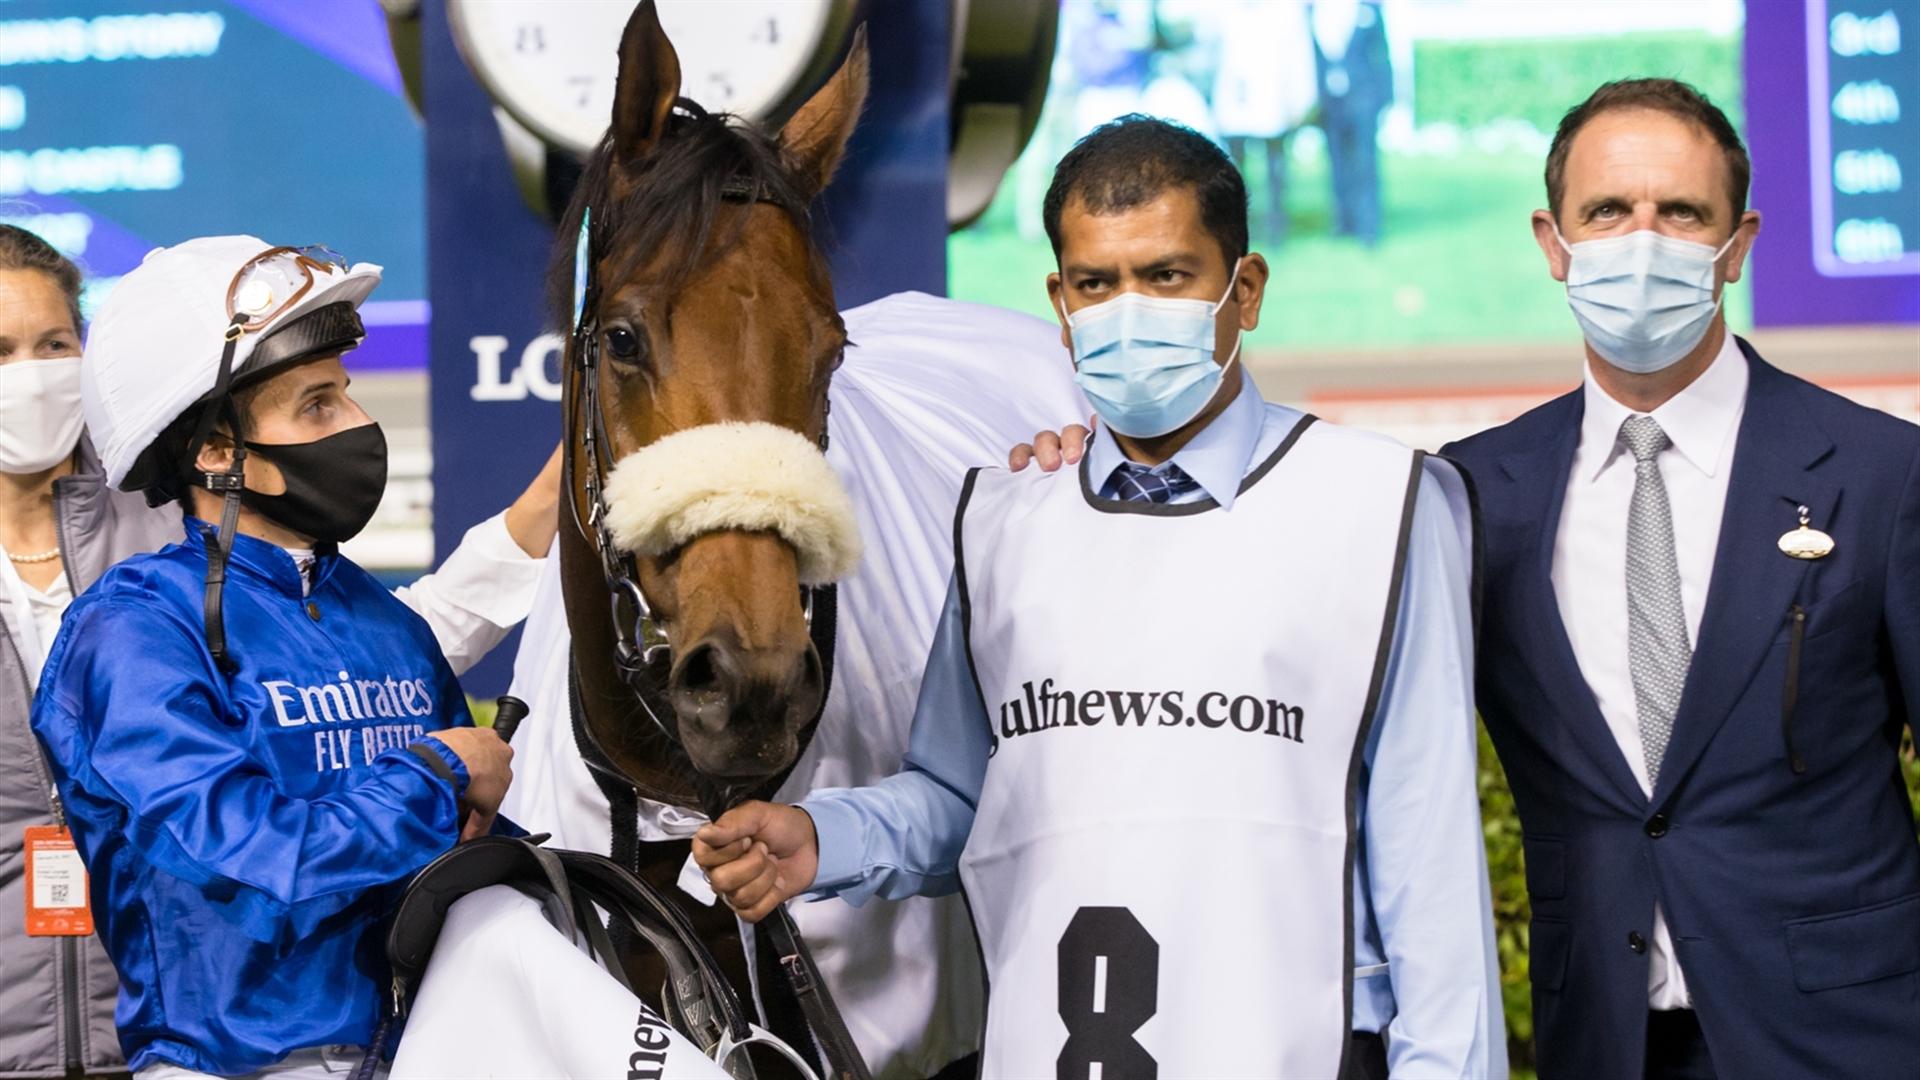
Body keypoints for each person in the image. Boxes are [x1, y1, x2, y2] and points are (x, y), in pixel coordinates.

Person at [692, 117, 1505, 1078]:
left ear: (1243, 290)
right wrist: (823, 839)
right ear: (1059, 298)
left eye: (1166, 276)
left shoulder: (1380, 503)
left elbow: (1432, 866)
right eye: (1096, 283)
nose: (1128, 310)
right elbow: (963, 797)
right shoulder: (1000, 519)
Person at [1440, 79, 1920, 1079]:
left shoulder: (1881, 475)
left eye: (1681, 212)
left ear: (1736, 245)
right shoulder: (1471, 495)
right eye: (1608, 211)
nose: (1643, 241)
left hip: (1848, 1041)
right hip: (1602, 1042)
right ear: (1552, 240)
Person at [0, 227, 554, 1080]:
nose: (360, 425)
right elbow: (254, 857)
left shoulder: (383, 622)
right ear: (218, 453)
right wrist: (439, 774)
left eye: (346, 394)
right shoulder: (133, 628)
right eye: (317, 406)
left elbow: (447, 869)